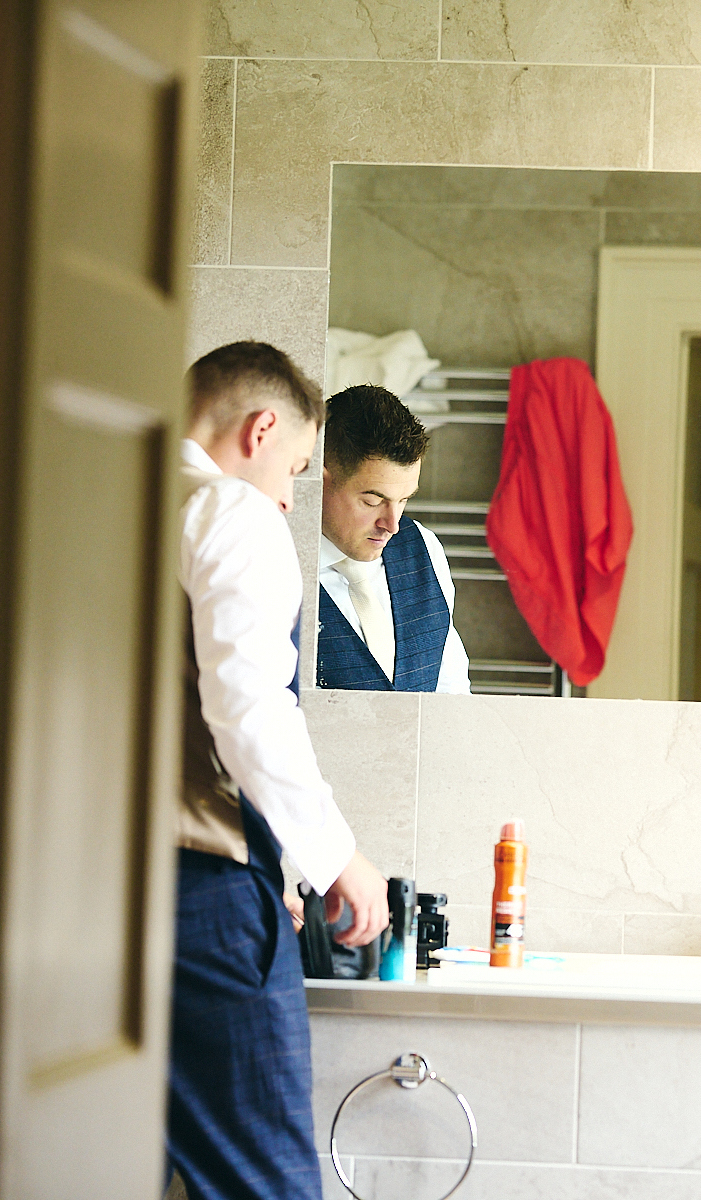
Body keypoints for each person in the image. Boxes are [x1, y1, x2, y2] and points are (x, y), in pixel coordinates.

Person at [171, 342, 388, 1200]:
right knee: (269, 1185)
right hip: (199, 896)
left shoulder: (95, 495)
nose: (290, 498)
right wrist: (337, 858)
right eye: (296, 469)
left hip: (78, 898)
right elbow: (248, 707)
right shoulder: (231, 510)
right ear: (261, 429)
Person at [315, 384, 471, 693]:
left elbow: (451, 689)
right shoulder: (271, 566)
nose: (392, 525)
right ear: (320, 482)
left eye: (404, 500)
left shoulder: (424, 549)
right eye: (373, 501)